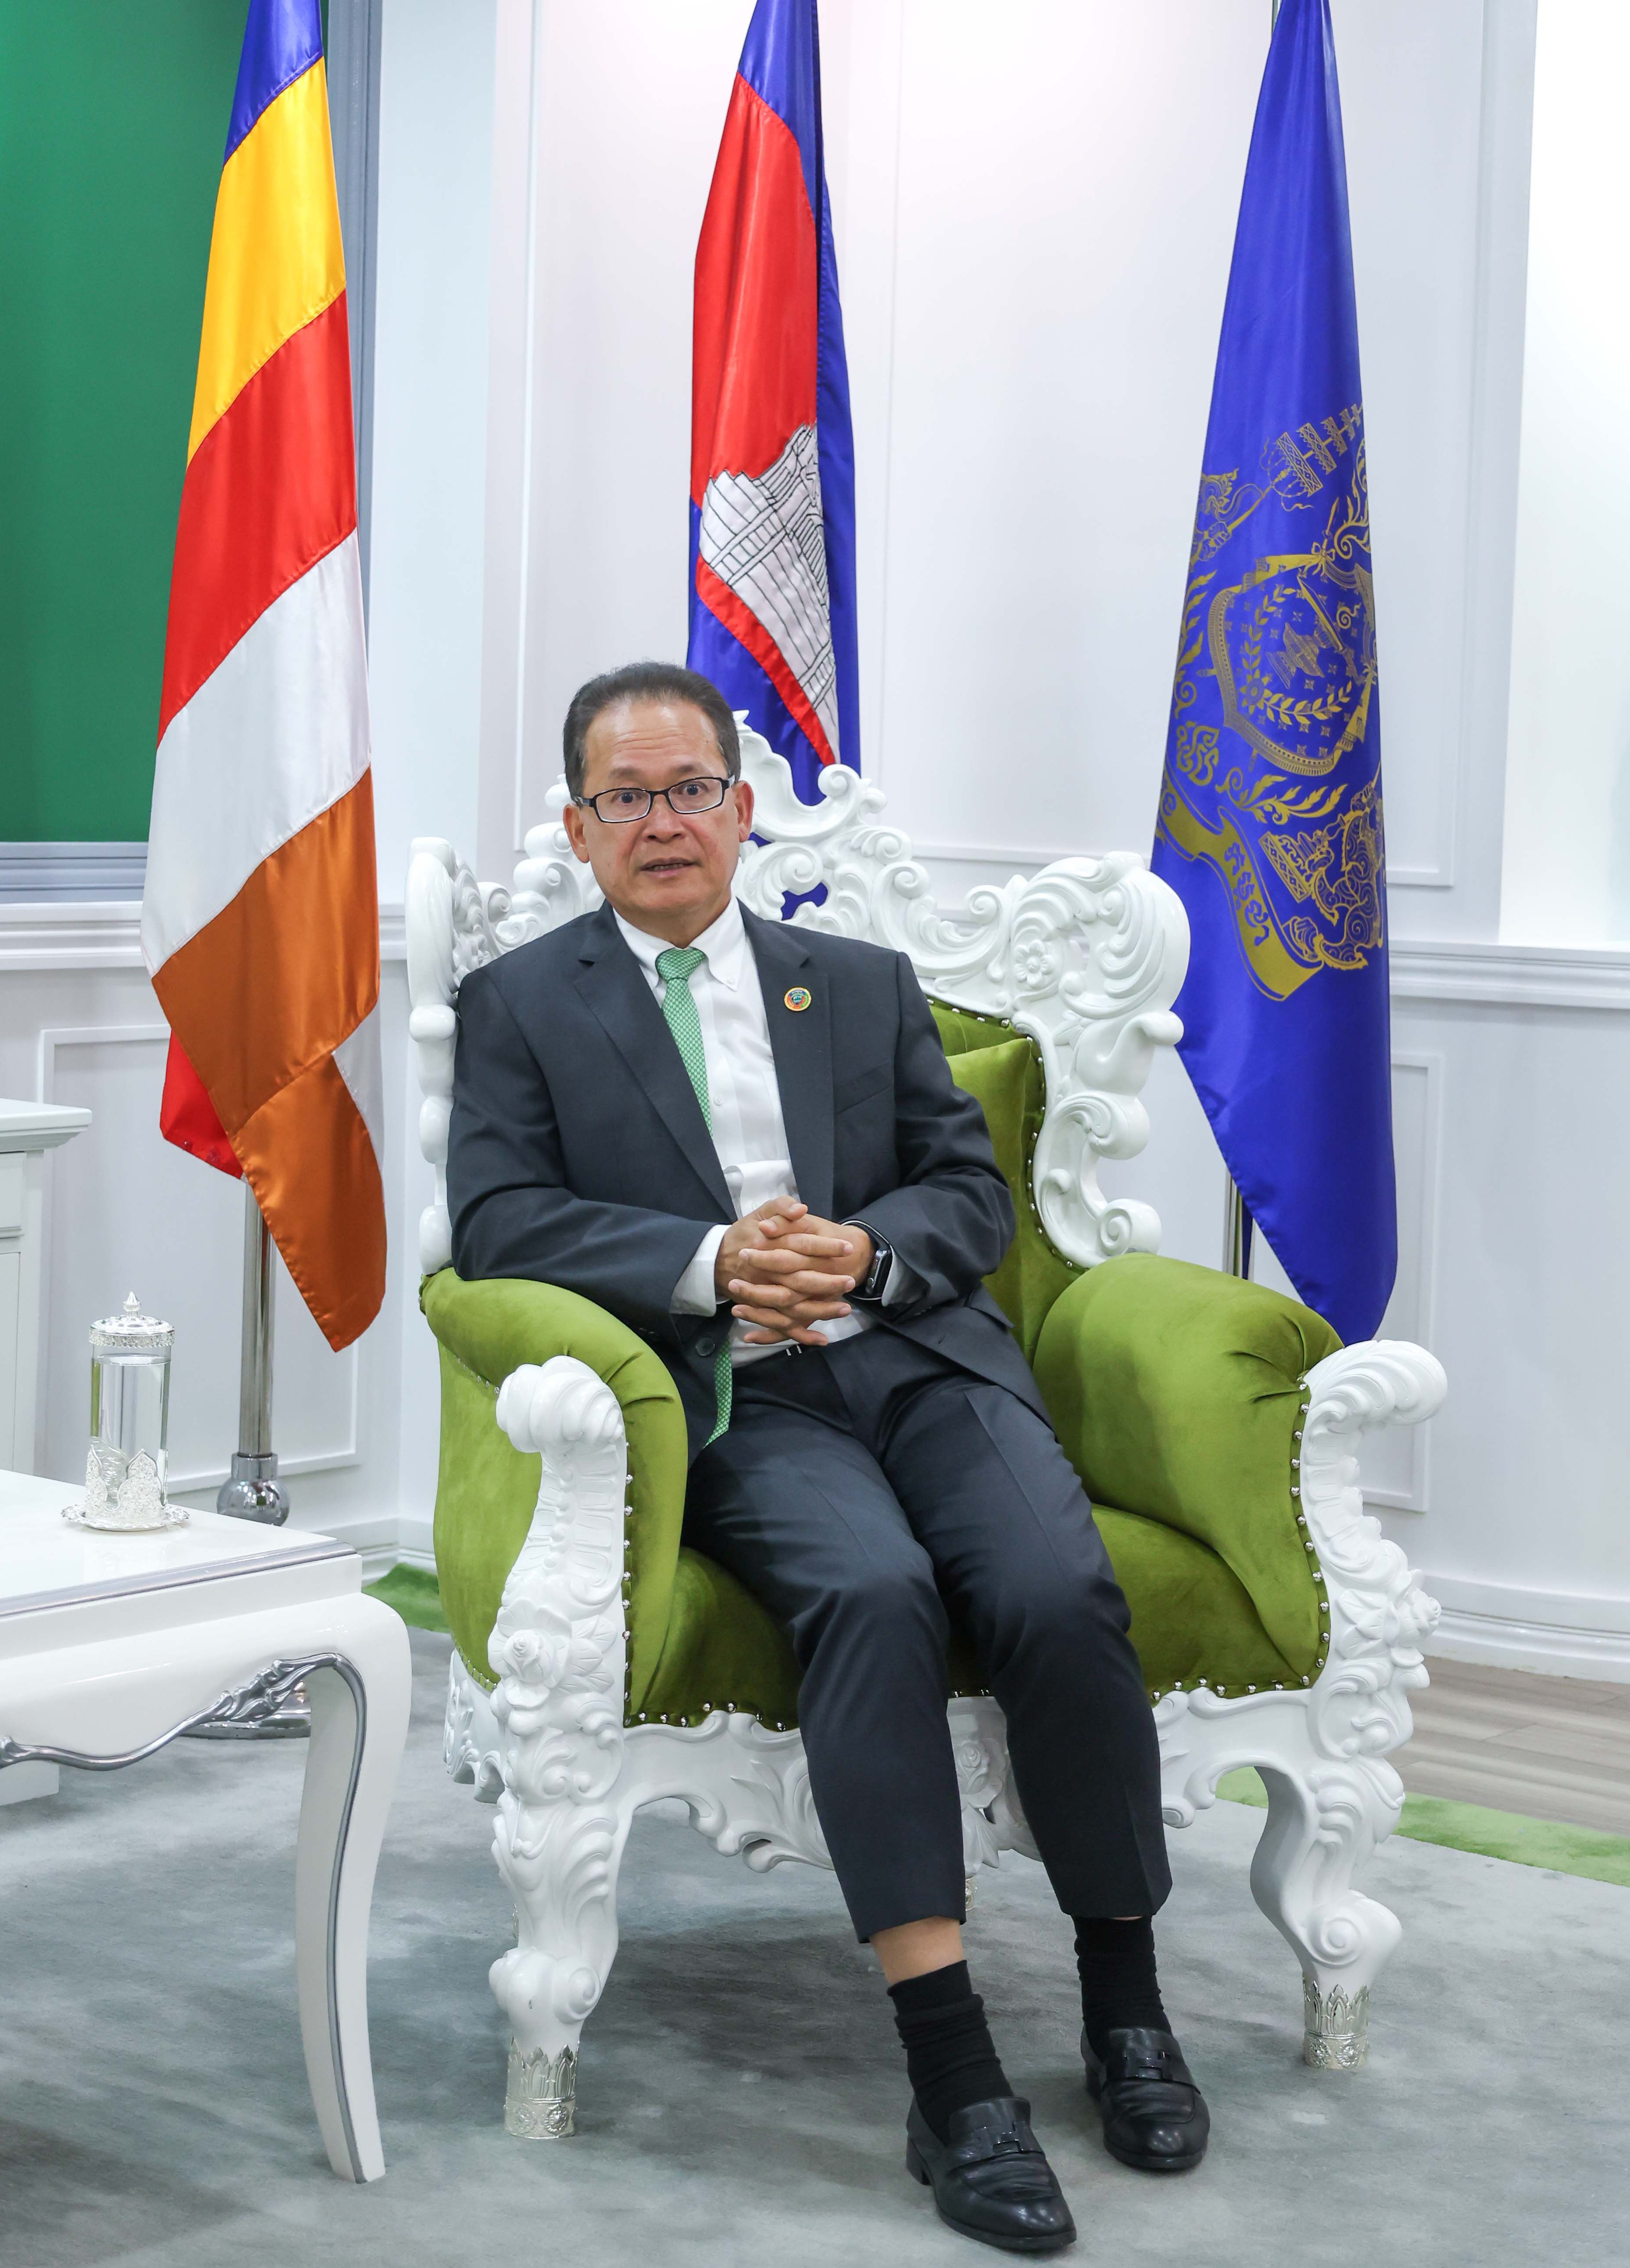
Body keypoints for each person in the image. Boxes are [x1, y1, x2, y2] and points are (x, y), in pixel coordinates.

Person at [448, 661, 1209, 2252]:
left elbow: (969, 1193)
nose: (663, 822)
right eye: (624, 797)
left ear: (740, 809)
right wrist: (712, 1263)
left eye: (689, 789)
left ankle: (1125, 2004)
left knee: (1056, 1591)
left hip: (919, 1362)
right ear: (579, 830)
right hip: (739, 1392)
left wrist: (858, 1252)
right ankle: (953, 2077)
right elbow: (502, 1223)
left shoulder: (855, 980)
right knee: (869, 1596)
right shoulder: (521, 1005)